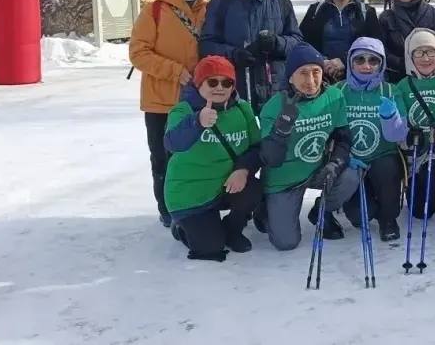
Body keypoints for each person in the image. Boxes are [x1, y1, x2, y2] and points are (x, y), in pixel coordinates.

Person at [256, 43, 360, 251]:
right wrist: (281, 129)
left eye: (316, 72)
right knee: (286, 243)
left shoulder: (333, 97)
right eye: (303, 73)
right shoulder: (274, 106)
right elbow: (270, 159)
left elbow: (343, 138)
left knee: (350, 175)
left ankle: (322, 211)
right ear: (291, 77)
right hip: (284, 180)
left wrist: (335, 164)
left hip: (316, 170)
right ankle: (265, 210)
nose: (310, 80)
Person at [130, 0, 208, 227]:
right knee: (164, 158)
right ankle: (168, 210)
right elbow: (138, 54)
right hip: (161, 100)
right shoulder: (153, 11)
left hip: (201, 99)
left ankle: (198, 204)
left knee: (198, 156)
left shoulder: (208, 11)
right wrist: (176, 72)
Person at [162, 56, 263, 261]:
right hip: (191, 193)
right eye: (212, 82)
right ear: (199, 83)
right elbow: (173, 143)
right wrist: (197, 122)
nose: (220, 87)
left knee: (254, 188)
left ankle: (232, 230)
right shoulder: (184, 110)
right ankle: (182, 228)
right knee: (209, 248)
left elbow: (256, 146)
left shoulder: (242, 109)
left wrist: (243, 169)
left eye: (226, 82)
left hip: (225, 185)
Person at [200, 0, 303, 113]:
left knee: (274, 138)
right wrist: (234, 54)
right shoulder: (219, 4)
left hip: (276, 88)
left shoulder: (281, 2)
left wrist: (277, 43)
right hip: (233, 88)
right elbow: (206, 45)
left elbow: (297, 40)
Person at [338, 37, 410, 241]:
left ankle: (388, 219)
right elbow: (331, 130)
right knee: (360, 217)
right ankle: (366, 201)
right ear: (350, 62)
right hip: (351, 159)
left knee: (387, 169)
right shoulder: (338, 91)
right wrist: (344, 157)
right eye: (359, 60)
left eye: (373, 60)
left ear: (382, 63)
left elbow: (398, 135)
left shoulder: (390, 90)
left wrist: (390, 118)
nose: (366, 66)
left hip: (382, 154)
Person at [395, 28, 435, 229]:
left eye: (431, 52)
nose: (426, 58)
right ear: (410, 57)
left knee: (434, 171)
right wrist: (406, 136)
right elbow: (398, 123)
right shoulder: (403, 86)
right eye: (419, 53)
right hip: (415, 150)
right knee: (419, 211)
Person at [299, 0, 381, 83]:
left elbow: (375, 45)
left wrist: (344, 61)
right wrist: (321, 61)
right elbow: (303, 43)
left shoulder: (366, 12)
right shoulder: (315, 11)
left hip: (358, 76)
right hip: (322, 77)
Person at [380, 0, 435, 84]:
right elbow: (382, 51)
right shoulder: (386, 18)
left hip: (432, 81)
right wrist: (403, 63)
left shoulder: (434, 14)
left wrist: (428, 60)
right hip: (398, 81)